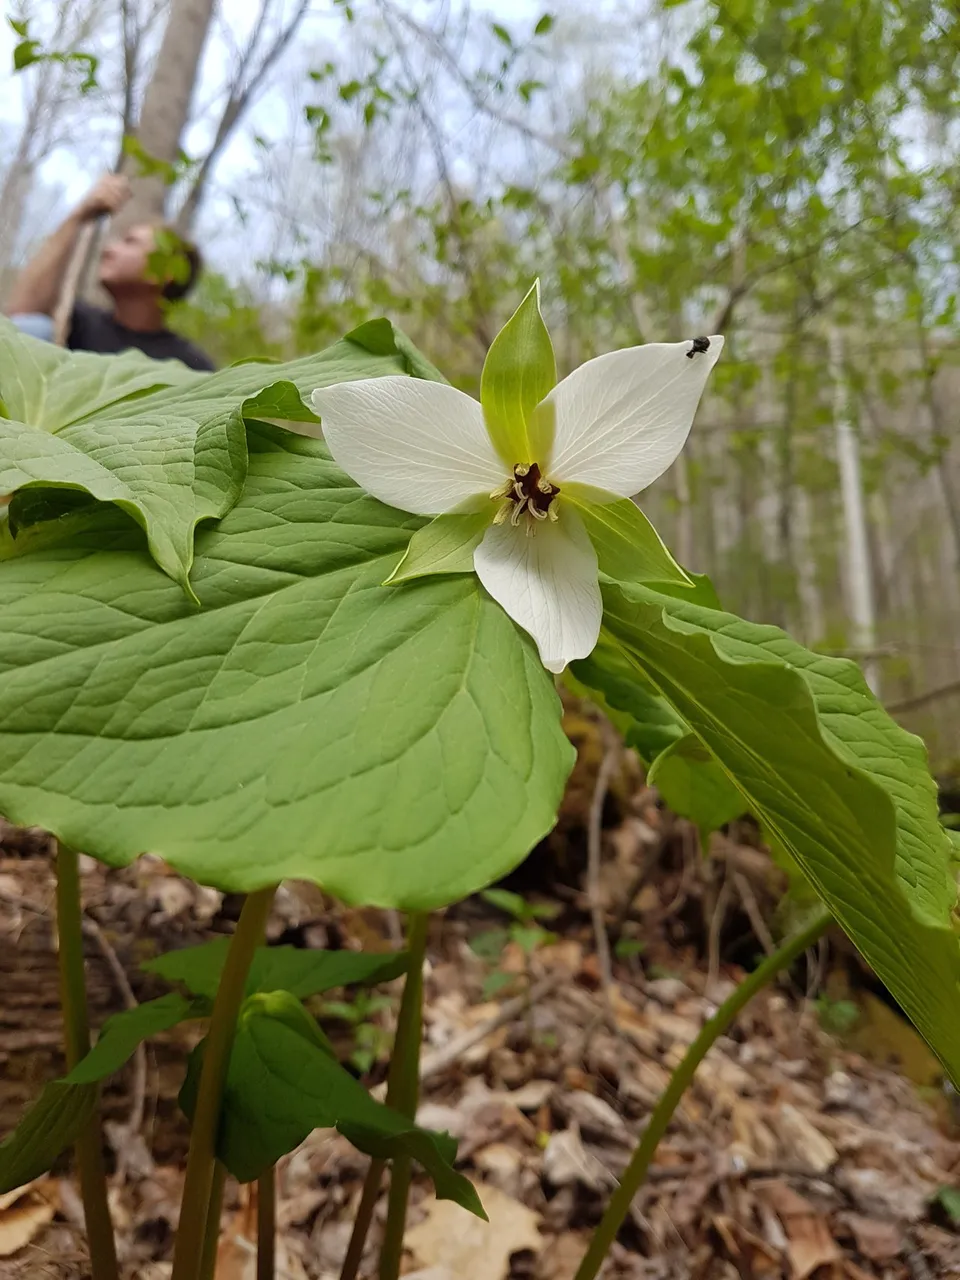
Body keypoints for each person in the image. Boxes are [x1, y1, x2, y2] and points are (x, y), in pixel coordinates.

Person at [5, 174, 215, 371]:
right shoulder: (76, 326)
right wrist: (78, 217)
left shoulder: (190, 368)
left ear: (164, 273)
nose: (108, 249)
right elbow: (20, 317)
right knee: (35, 327)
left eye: (130, 242)